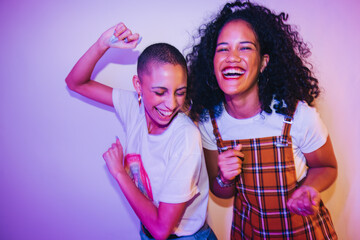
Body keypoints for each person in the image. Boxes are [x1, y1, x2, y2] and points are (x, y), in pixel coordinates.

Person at [186, 0, 338, 239]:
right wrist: (224, 178)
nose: (232, 57)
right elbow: (221, 193)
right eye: (222, 48)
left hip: (302, 232)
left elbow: (326, 167)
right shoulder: (210, 122)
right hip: (250, 232)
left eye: (244, 48)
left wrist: (310, 188)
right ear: (212, 61)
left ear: (264, 62)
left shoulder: (296, 115)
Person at [65, 22, 216, 240]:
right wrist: (101, 45)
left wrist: (118, 172)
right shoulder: (132, 107)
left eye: (179, 92)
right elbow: (75, 83)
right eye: (160, 92)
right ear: (138, 86)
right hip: (147, 230)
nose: (171, 104)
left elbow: (161, 230)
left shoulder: (185, 137)